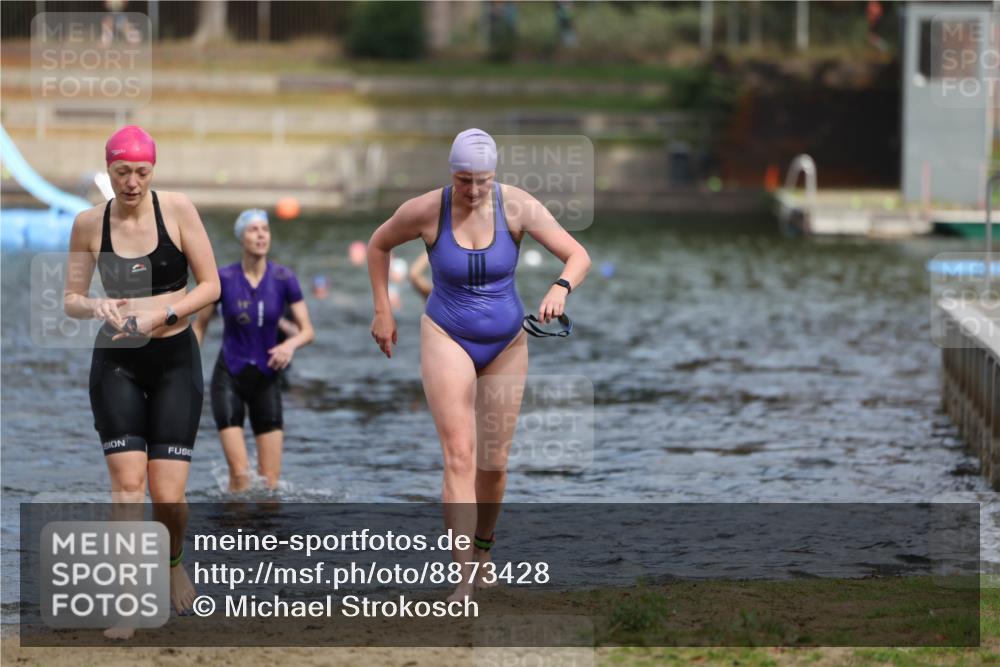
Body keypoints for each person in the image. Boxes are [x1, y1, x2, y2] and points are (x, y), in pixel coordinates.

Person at [367, 128, 591, 601]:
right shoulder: (429, 209)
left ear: (495, 176)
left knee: (494, 463)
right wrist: (383, 309)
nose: (472, 190)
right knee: (460, 455)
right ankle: (462, 577)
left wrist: (560, 288)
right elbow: (378, 245)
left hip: (507, 342)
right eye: (464, 179)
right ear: (452, 173)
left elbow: (577, 255)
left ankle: (484, 551)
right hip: (447, 334)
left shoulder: (518, 206)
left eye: (481, 181)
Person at [63, 126, 221, 637]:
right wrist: (94, 304)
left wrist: (166, 314)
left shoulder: (177, 211)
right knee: (128, 486)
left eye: (141, 172)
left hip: (176, 358)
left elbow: (212, 285)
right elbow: (70, 298)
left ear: (153, 170)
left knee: (168, 497)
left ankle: (173, 561)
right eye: (121, 172)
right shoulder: (89, 224)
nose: (131, 182)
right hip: (117, 361)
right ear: (108, 171)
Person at [193, 209, 314, 493]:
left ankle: (264, 536)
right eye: (253, 229)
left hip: (267, 379)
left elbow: (308, 330)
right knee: (240, 477)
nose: (261, 235)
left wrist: (289, 344)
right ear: (241, 237)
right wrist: (185, 369)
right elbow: (200, 327)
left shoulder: (284, 278)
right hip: (229, 378)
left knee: (270, 483)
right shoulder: (222, 278)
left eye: (265, 229)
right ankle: (234, 533)